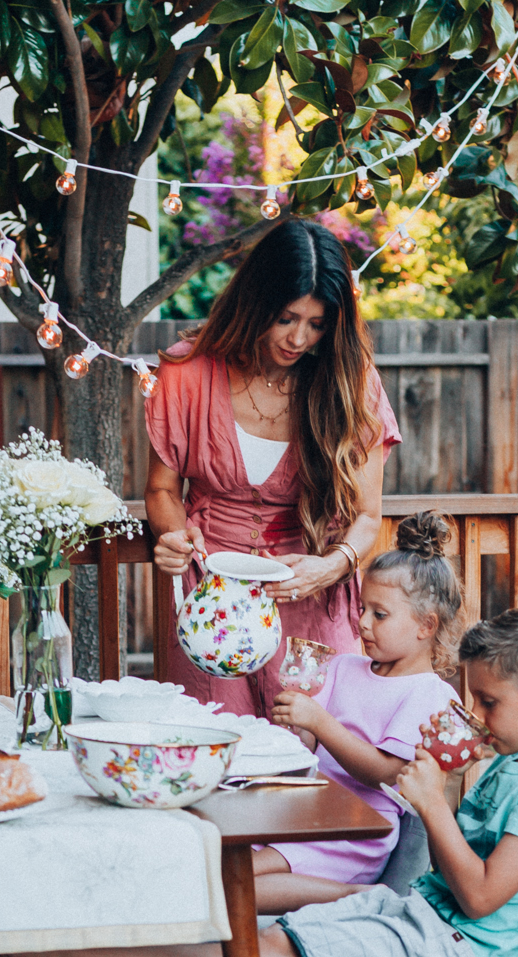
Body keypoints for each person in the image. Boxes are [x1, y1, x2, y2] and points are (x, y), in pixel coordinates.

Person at [10, 605, 518, 957]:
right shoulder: (513, 766)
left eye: (490, 703)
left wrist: (434, 806)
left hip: (455, 956)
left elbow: (478, 898)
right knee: (251, 946)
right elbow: (454, 881)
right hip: (418, 921)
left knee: (253, 955)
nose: (477, 715)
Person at [144, 219, 401, 718]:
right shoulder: (186, 371)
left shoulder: (350, 381)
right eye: (286, 318)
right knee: (220, 744)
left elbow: (369, 516)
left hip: (313, 590)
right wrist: (174, 535)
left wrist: (332, 565)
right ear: (255, 301)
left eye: (317, 323)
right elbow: (161, 489)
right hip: (215, 598)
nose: (299, 338)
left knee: (322, 753)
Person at [253, 510, 464, 915]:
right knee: (226, 866)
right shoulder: (344, 666)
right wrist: (297, 723)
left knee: (234, 882)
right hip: (307, 814)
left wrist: (318, 721)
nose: (362, 623)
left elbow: (386, 773)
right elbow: (309, 747)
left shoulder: (428, 694)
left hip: (355, 831)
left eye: (379, 614)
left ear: (426, 625)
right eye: (362, 608)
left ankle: (360, 898)